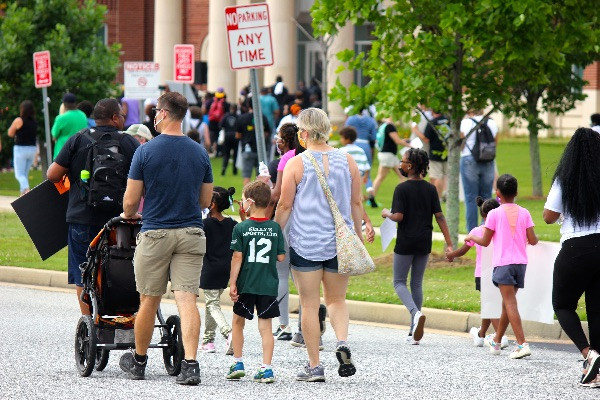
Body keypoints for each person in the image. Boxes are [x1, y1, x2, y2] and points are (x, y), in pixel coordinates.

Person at [118, 92, 213, 385]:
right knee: (187, 299)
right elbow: (205, 200)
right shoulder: (199, 152)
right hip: (191, 232)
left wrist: (130, 214)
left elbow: (130, 204)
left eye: (156, 111)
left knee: (148, 300)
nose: (154, 116)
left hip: (156, 232)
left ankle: (139, 360)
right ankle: (190, 365)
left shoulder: (145, 152)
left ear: (164, 113)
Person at [275, 108, 363, 382]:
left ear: (303, 133)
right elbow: (356, 202)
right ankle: (341, 342)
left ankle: (315, 366)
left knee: (310, 304)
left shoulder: (296, 163)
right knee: (337, 300)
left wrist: (276, 234)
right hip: (339, 242)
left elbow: (285, 204)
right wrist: (356, 235)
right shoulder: (347, 160)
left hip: (306, 242)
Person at [47, 98, 139, 315]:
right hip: (119, 220)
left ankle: (90, 325)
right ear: (115, 117)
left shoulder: (78, 139)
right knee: (120, 268)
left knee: (82, 271)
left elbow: (53, 174)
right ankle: (120, 317)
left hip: (82, 217)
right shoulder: (128, 142)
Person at [543, 127, 600, 386]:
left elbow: (548, 215)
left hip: (577, 246)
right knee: (597, 310)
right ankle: (597, 372)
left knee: (563, 305)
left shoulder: (566, 179)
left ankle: (589, 354)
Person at [381, 148, 453, 345]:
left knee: (398, 282)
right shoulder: (430, 189)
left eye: (403, 162)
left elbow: (398, 217)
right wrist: (449, 243)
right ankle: (413, 332)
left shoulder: (401, 189)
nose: (400, 165)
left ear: (410, 166)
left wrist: (387, 213)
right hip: (424, 241)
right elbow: (439, 216)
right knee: (417, 283)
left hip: (405, 242)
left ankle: (415, 314)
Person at [465, 174, 538, 359]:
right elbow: (533, 240)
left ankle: (522, 344)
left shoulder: (493, 214)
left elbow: (484, 240)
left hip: (503, 264)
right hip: (521, 264)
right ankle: (496, 342)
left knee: (510, 302)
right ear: (517, 192)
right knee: (507, 303)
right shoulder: (525, 212)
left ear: (497, 193)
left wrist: (471, 237)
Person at [226, 181, 286, 383]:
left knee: (237, 322)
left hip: (246, 284)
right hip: (267, 285)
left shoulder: (241, 228)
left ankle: (238, 362)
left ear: (249, 202)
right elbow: (280, 258)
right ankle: (266, 368)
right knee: (266, 327)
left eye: (243, 200)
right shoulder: (275, 227)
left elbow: (237, 257)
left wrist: (232, 282)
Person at [446, 196, 509, 349]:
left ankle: (500, 337)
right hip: (499, 270)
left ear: (482, 215)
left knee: (490, 304)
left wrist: (451, 255)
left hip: (482, 274)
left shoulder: (477, 231)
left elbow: (463, 250)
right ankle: (481, 335)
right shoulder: (503, 231)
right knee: (490, 304)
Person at [200, 186, 238, 355]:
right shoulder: (232, 224)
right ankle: (208, 341)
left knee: (212, 304)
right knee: (211, 303)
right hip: (225, 270)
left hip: (209, 270)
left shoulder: (205, 224)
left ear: (212, 204)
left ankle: (229, 334)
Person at [460, 110, 499, 232]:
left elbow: (461, 143)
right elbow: (495, 142)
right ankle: (487, 228)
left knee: (471, 197)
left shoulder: (465, 122)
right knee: (487, 196)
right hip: (487, 160)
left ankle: (472, 230)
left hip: (469, 159)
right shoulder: (492, 123)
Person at [371, 117, 410, 202]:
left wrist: (403, 141)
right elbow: (397, 141)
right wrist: (410, 145)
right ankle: (371, 197)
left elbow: (391, 140)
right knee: (381, 177)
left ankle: (403, 197)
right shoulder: (390, 126)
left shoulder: (384, 126)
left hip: (389, 155)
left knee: (402, 175)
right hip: (388, 155)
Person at [344, 108, 378, 206]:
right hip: (365, 145)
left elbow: (346, 131)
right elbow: (373, 137)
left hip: (352, 144)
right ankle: (370, 192)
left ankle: (355, 195)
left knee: (352, 171)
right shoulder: (370, 120)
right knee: (367, 172)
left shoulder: (350, 119)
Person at [415, 111, 450, 199]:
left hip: (435, 153)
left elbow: (426, 139)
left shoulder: (432, 122)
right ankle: (446, 194)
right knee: (445, 175)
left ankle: (438, 197)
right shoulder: (449, 120)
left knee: (438, 176)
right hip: (448, 152)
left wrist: (415, 130)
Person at [236, 99, 270, 186]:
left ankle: (245, 197)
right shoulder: (262, 117)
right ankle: (259, 197)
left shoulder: (242, 118)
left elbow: (238, 135)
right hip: (260, 150)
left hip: (247, 149)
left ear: (248, 106)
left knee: (247, 176)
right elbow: (267, 133)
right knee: (260, 176)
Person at [7, 100, 38, 195]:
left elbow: (10, 133)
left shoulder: (19, 120)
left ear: (22, 109)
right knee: (24, 174)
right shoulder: (34, 122)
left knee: (19, 174)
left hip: (20, 149)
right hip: (32, 149)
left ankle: (27, 190)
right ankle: (22, 195)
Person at [51, 93, 88, 159]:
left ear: (64, 104)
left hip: (62, 152)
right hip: (79, 151)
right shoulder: (83, 115)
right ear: (75, 103)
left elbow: (54, 136)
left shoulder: (61, 118)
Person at [219, 104, 239, 176]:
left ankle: (224, 168)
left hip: (227, 136)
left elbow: (220, 125)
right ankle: (234, 170)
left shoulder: (226, 116)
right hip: (236, 137)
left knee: (226, 154)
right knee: (235, 154)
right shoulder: (238, 117)